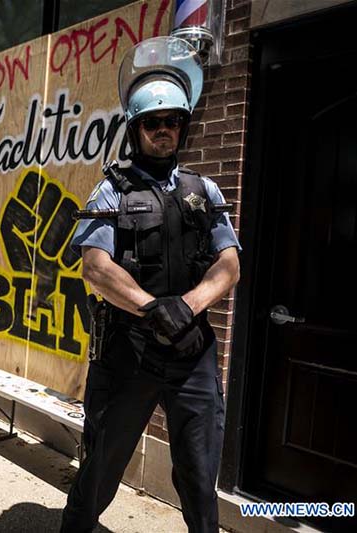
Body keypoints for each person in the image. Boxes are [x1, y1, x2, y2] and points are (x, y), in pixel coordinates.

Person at [61, 37, 241, 533]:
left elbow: (229, 264)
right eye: (153, 122)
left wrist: (187, 306)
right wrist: (150, 307)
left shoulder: (205, 191)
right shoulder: (111, 191)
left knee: (201, 475)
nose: (164, 131)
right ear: (136, 128)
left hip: (193, 351)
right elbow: (94, 265)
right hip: (130, 349)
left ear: (184, 125)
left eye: (173, 121)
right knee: (100, 466)